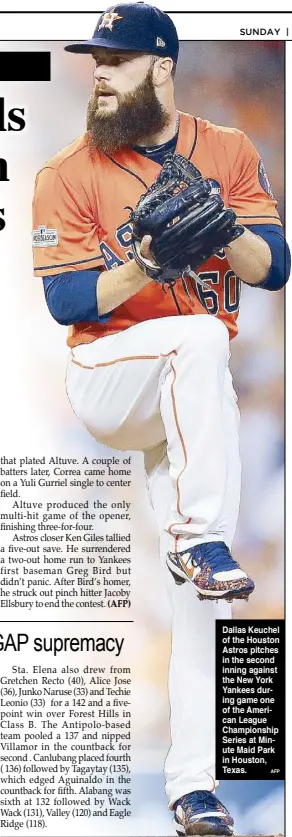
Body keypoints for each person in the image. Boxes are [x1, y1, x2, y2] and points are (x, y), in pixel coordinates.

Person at [32, 5, 289, 834]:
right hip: (110, 381)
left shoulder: (229, 151)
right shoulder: (69, 171)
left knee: (202, 600)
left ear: (163, 69)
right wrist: (144, 261)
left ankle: (194, 788)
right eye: (94, 61)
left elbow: (273, 266)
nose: (101, 74)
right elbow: (66, 298)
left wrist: (225, 231)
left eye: (118, 60)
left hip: (190, 391)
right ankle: (200, 535)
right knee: (191, 336)